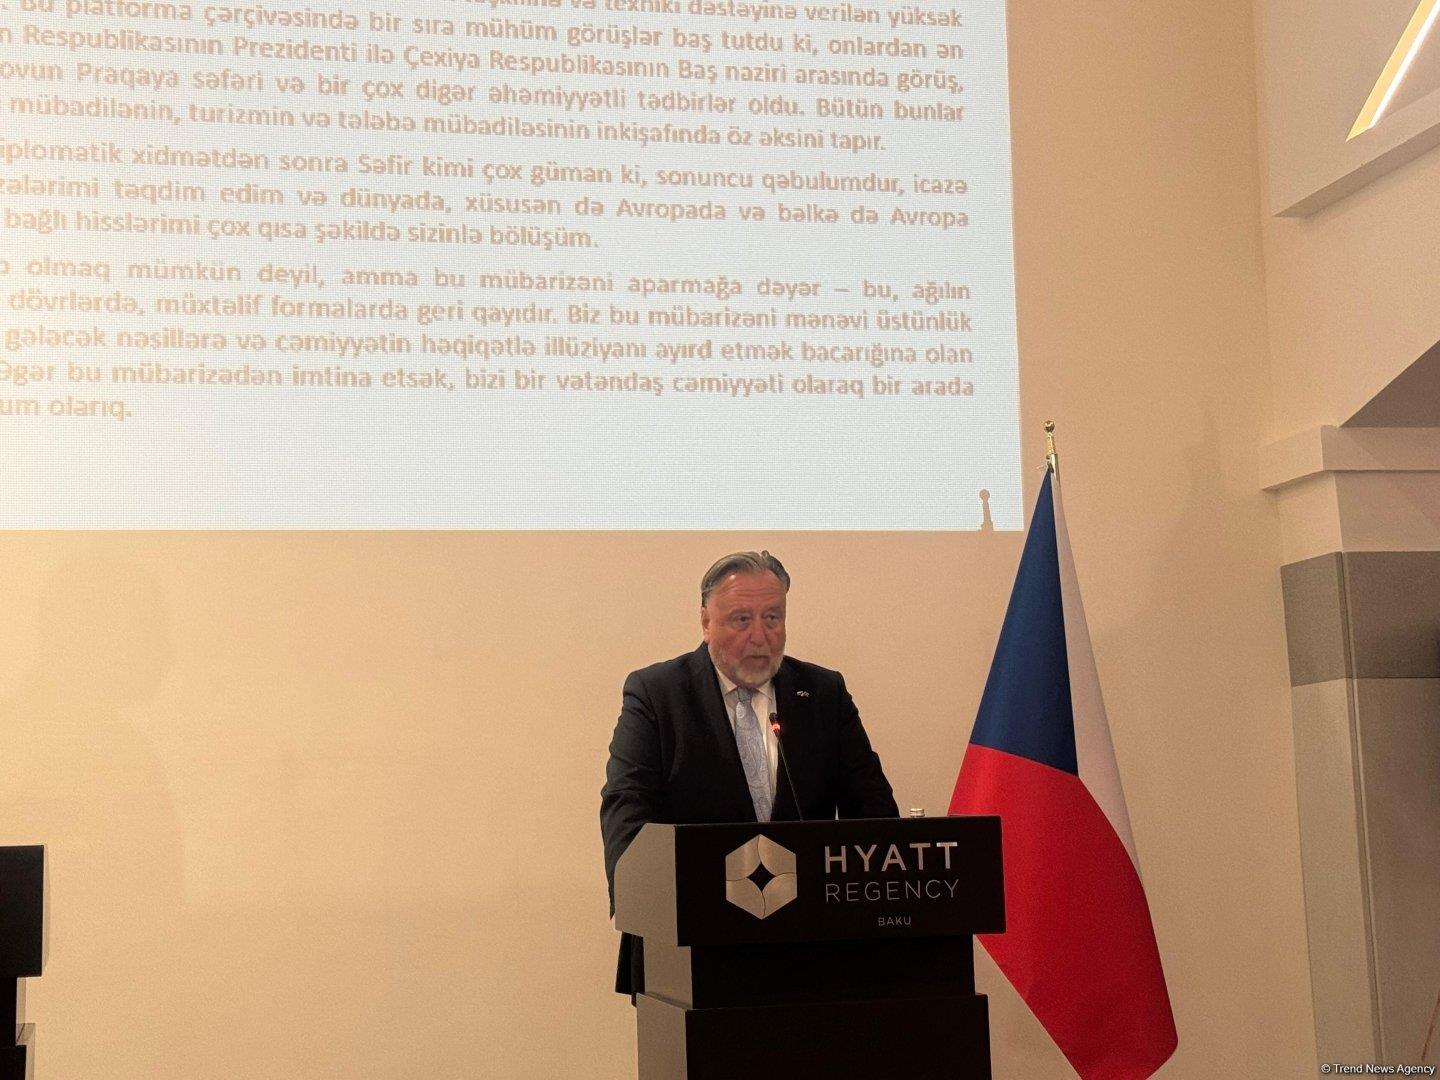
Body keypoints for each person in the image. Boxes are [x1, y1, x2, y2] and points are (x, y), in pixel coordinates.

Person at [600, 550, 899, 996]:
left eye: (772, 618)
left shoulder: (822, 693)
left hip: (813, 951)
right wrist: (641, 900)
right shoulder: (658, 694)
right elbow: (627, 810)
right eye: (741, 619)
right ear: (706, 622)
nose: (760, 636)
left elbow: (874, 813)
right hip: (690, 953)